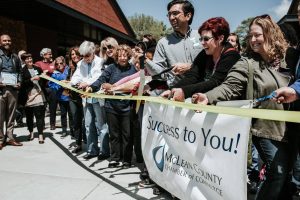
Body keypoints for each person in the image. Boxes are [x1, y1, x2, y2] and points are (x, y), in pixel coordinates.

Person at [191, 15, 291, 199]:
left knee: (287, 178)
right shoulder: (247, 63)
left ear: (270, 34)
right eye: (250, 36)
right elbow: (229, 87)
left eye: (258, 35)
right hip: (266, 129)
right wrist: (208, 97)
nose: (253, 40)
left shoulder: (289, 59)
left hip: (292, 128)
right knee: (277, 172)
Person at [160, 17, 240, 101]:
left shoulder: (232, 56)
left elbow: (215, 82)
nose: (202, 43)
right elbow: (192, 76)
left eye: (206, 39)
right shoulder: (205, 53)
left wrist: (184, 91)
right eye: (201, 38)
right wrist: (171, 90)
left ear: (220, 38)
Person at [89, 44, 137, 168]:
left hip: (127, 108)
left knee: (127, 135)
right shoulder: (110, 68)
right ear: (116, 56)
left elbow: (135, 86)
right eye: (120, 55)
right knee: (114, 135)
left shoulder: (133, 70)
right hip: (111, 107)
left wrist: (112, 87)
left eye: (125, 55)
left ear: (129, 56)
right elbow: (101, 80)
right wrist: (92, 87)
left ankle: (127, 159)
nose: (122, 58)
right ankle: (115, 158)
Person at [143, 0, 201, 88]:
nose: (171, 18)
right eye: (169, 14)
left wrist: (191, 67)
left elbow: (214, 64)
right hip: (176, 94)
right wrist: (145, 61)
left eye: (175, 13)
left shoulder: (202, 36)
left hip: (203, 93)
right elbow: (160, 74)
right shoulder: (163, 43)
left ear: (188, 16)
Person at [71, 40, 107, 160]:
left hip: (97, 97)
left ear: (93, 52)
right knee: (88, 125)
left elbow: (98, 77)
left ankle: (104, 151)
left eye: (87, 55)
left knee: (101, 126)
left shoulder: (100, 62)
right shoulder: (80, 63)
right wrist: (77, 83)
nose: (85, 58)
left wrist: (86, 83)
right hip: (86, 99)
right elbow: (75, 77)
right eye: (83, 56)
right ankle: (92, 150)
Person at [0, 34, 23, 149]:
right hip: (0, 90)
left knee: (11, 116)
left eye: (9, 40)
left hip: (13, 89)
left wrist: (19, 82)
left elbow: (20, 71)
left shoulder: (15, 57)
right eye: (4, 41)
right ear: (0, 42)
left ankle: (10, 138)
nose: (7, 42)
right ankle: (0, 139)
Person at [19, 53, 46, 144]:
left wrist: (42, 77)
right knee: (29, 116)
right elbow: (22, 83)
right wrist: (32, 79)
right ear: (24, 61)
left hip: (38, 93)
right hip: (28, 95)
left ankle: (40, 134)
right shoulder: (22, 70)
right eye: (27, 59)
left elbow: (43, 80)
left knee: (39, 115)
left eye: (30, 58)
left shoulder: (37, 68)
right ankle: (31, 133)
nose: (29, 60)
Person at [48, 56, 73, 138]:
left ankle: (73, 131)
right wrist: (59, 85)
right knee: (63, 114)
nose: (59, 65)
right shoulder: (54, 73)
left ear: (64, 63)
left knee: (71, 114)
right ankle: (64, 130)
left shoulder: (69, 70)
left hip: (71, 96)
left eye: (61, 63)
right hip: (61, 97)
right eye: (57, 64)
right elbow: (50, 84)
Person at [66, 46, 84, 153]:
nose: (74, 56)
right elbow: (71, 81)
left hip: (83, 97)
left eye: (76, 54)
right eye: (72, 54)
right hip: (72, 98)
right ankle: (78, 143)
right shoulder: (71, 68)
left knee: (86, 122)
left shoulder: (84, 66)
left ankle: (88, 141)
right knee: (75, 121)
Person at [35, 48, 57, 130]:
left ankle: (52, 124)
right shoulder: (38, 63)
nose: (51, 55)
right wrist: (43, 73)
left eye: (51, 54)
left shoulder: (53, 63)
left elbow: (56, 73)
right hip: (42, 88)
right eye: (49, 54)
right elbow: (35, 74)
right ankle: (42, 124)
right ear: (44, 55)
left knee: (53, 107)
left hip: (53, 88)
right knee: (42, 107)